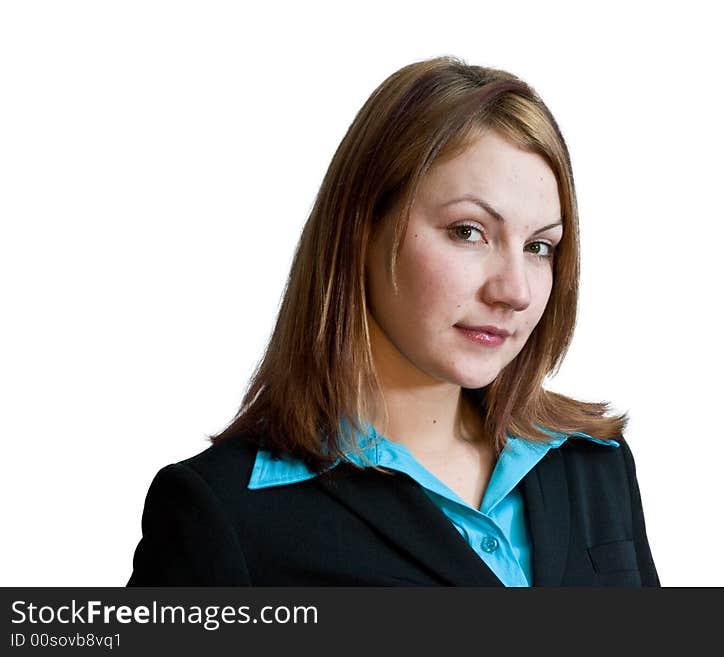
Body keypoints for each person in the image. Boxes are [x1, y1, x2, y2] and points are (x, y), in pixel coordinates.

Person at [127, 55, 660, 587]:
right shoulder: (222, 518)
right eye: (468, 232)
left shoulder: (595, 466)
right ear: (360, 229)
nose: (514, 291)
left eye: (539, 246)